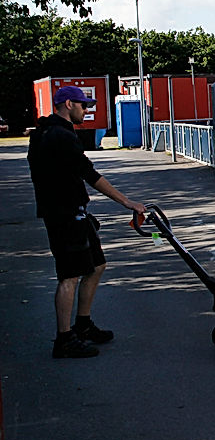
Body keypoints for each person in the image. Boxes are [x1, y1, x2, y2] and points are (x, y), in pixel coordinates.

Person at [27, 86, 146, 359]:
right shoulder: (59, 136)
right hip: (64, 214)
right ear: (68, 104)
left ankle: (83, 324)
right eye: (84, 105)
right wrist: (126, 202)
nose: (87, 110)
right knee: (69, 275)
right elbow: (89, 174)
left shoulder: (47, 132)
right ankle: (64, 338)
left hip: (73, 211)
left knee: (96, 264)